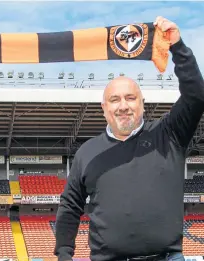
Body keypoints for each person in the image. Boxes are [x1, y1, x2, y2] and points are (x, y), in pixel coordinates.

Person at [54, 16, 204, 261]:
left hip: (166, 257)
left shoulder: (170, 134)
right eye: (115, 100)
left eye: (130, 98)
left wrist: (177, 46)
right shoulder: (87, 152)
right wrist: (63, 254)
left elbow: (196, 95)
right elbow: (70, 206)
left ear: (142, 104)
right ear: (104, 108)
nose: (123, 106)